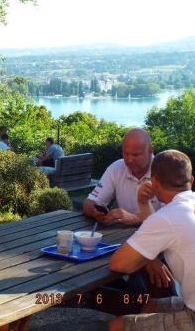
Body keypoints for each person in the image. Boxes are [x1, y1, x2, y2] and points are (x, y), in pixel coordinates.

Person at [108, 150, 195, 331]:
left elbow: (119, 264)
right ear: (191, 180)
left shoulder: (168, 216)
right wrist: (144, 203)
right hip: (190, 303)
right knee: (149, 306)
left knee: (116, 326)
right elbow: (159, 238)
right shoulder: (185, 208)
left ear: (154, 182)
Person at [83, 128, 162, 226]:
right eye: (126, 153)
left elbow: (174, 215)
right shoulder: (116, 168)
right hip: (122, 235)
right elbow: (90, 202)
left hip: (159, 236)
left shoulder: (165, 171)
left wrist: (135, 218)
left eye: (135, 155)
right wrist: (94, 212)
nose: (129, 160)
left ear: (150, 150)